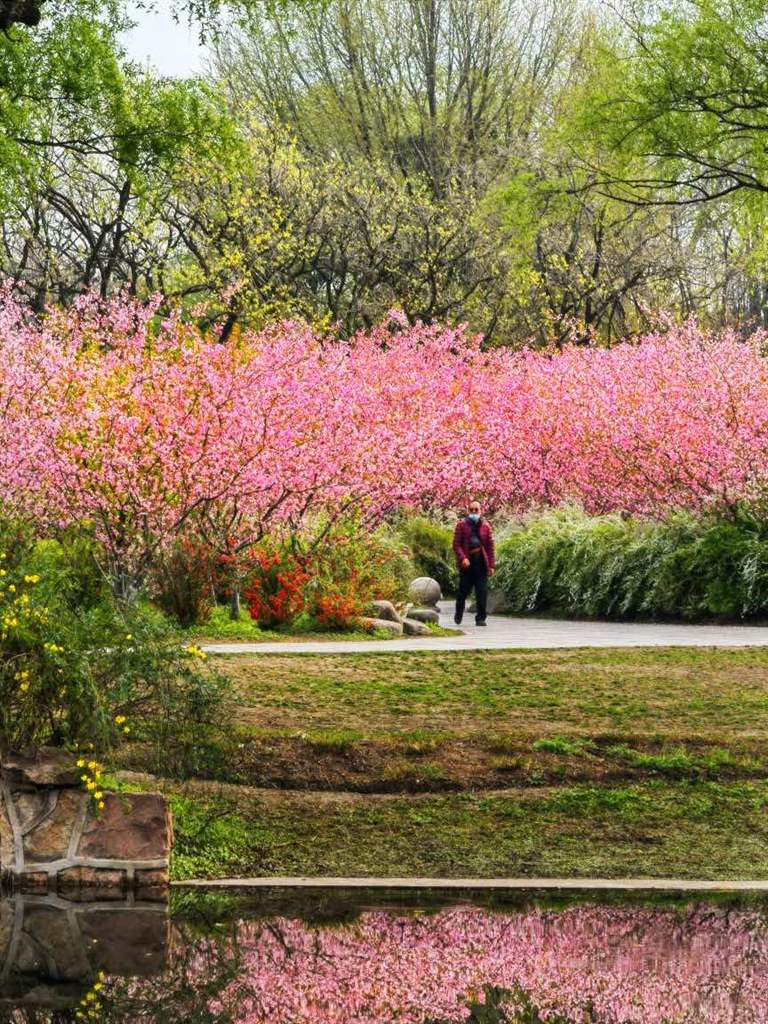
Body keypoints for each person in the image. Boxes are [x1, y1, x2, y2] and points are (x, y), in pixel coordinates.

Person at [453, 500, 495, 626]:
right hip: (467, 564)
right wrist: (463, 558)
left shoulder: (486, 526)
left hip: (481, 563)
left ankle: (481, 618)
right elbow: (456, 544)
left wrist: (491, 565)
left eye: (476, 510)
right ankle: (458, 613)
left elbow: (490, 547)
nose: (474, 512)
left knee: (482, 591)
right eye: (472, 510)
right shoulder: (461, 525)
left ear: (481, 511)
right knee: (463, 591)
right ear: (468, 511)